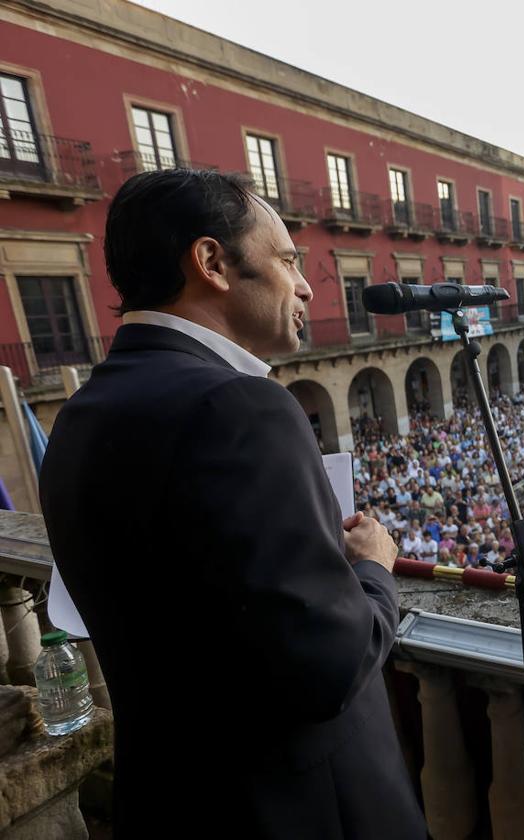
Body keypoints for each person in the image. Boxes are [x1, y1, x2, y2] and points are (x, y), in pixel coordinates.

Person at [39, 170, 425, 837]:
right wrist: (373, 569)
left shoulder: (80, 415)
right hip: (298, 812)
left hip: (171, 799)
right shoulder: (242, 405)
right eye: (286, 260)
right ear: (212, 262)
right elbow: (328, 667)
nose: (304, 286)